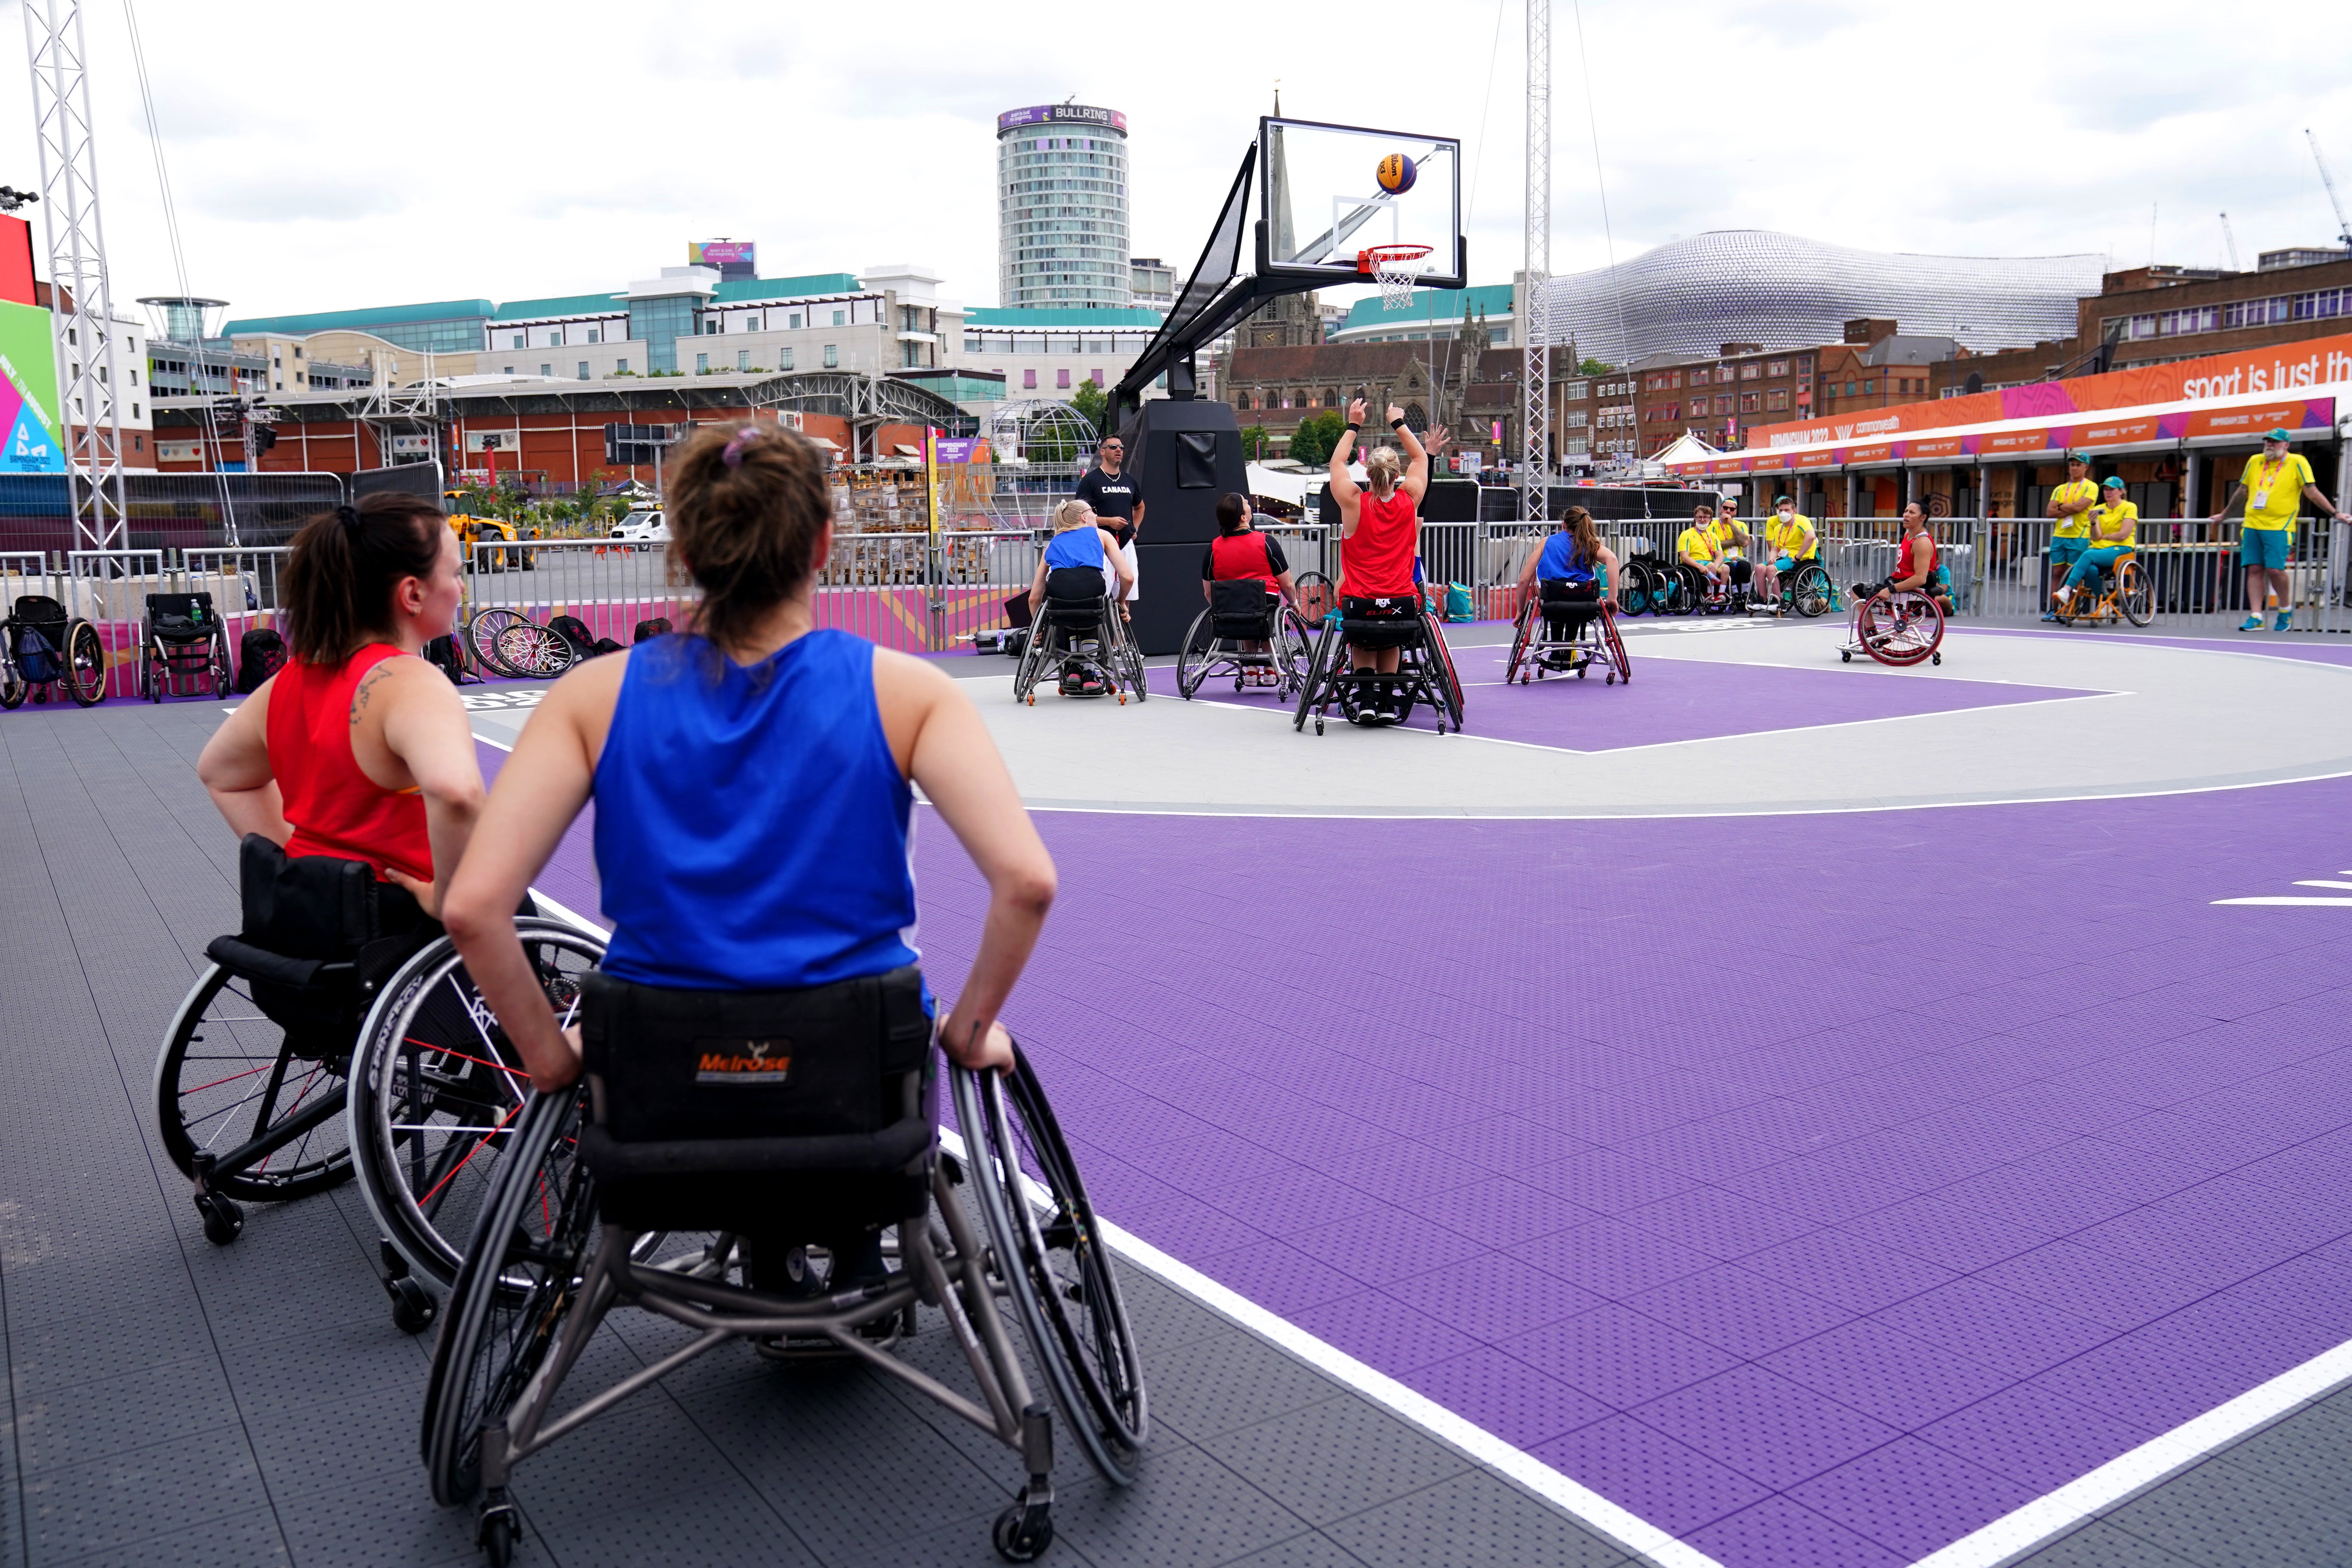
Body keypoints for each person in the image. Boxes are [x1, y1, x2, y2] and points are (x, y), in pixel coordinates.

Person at [439, 420, 1051, 1299]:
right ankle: (853, 1238)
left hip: (662, 1066)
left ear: (682, 548)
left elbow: (472, 908)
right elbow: (1026, 883)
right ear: (825, 544)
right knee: (887, 1044)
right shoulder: (907, 690)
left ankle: (761, 1240)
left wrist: (545, 1054)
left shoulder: (591, 696)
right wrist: (970, 1024)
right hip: (854, 1065)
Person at [195, 494, 485, 927]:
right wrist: (447, 896)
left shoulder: (287, 683)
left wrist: (303, 867)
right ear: (413, 592)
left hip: (316, 920)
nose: (461, 588)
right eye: (456, 574)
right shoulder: (411, 683)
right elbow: (457, 793)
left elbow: (222, 773)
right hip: (403, 922)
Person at [1327, 397, 1445, 722]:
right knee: (1391, 639)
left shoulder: (1353, 503)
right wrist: (1398, 421)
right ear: (1396, 474)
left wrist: (1354, 424)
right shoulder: (1409, 498)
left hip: (1359, 600)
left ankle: (1365, 700)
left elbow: (1336, 464)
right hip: (1400, 601)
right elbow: (1421, 457)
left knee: (1363, 638)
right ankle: (1384, 701)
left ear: (1368, 472)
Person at [2215, 429, 2344, 632]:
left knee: (2276, 570)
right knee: (2255, 569)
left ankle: (2285, 609)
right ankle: (2256, 616)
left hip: (2280, 526)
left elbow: (2311, 492)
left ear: (2286, 445)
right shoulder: (2255, 461)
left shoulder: (2297, 462)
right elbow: (2243, 491)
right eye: (2267, 441)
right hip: (2252, 524)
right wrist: (2224, 515)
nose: (2269, 445)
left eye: (2275, 442)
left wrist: (2335, 513)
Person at [1025, 498, 1134, 696]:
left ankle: (1074, 670)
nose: (1095, 514)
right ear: (1084, 517)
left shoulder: (1052, 544)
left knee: (1070, 611)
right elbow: (1127, 577)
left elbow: (1034, 598)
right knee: (1092, 608)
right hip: (1091, 592)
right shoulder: (1102, 535)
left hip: (1059, 597)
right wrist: (1121, 603)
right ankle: (1090, 673)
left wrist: (1037, 628)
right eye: (1093, 511)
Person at [1200, 492, 1298, 687]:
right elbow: (1286, 584)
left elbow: (1209, 592)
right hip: (1264, 606)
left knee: (1242, 607)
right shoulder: (1266, 542)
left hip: (1229, 609)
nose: (1248, 503)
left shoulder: (1213, 548)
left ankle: (1251, 669)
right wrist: (1294, 603)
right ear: (1243, 518)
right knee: (1263, 612)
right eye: (1246, 503)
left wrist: (1218, 610)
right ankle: (1270, 669)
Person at [1074, 435, 1143, 622]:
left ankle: (1119, 647)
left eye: (1121, 447)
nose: (1119, 450)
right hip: (1101, 545)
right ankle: (1102, 646)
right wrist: (1108, 521)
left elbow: (1140, 506)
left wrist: (1134, 527)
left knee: (1126, 598)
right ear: (1103, 452)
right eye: (1113, 447)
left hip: (1125, 545)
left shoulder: (1129, 480)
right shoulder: (1090, 481)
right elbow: (1079, 515)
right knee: (1101, 597)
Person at [1512, 504, 1622, 610]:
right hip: (1583, 599)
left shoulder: (1546, 543)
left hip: (1552, 598)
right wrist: (1612, 599)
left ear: (1564, 525)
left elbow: (1524, 580)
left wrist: (1520, 611)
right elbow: (1612, 559)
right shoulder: (1590, 545)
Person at [2053, 477, 2136, 616]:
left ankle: (2066, 590)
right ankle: (2104, 602)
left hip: (2121, 549)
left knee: (2087, 555)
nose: (2108, 492)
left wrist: (2106, 537)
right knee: (2090, 568)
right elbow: (2096, 536)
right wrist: (2093, 523)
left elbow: (2123, 535)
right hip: (2099, 549)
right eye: (2106, 489)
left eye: (2112, 489)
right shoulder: (2098, 509)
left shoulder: (2130, 507)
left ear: (2121, 491)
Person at [2043, 452, 2099, 623]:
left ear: (2086, 468)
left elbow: (2080, 508)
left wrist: (2061, 506)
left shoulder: (2091, 487)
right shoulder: (2060, 489)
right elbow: (2050, 512)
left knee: (2073, 574)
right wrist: (2070, 507)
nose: (2075, 468)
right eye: (2072, 465)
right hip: (2060, 535)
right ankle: (2054, 610)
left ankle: (2070, 609)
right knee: (2057, 573)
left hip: (2079, 535)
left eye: (2079, 465)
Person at [1852, 502, 1937, 602]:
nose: (1906, 515)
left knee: (1856, 590)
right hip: (1899, 584)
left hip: (1909, 592)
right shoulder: (1908, 535)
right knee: (1862, 588)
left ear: (1923, 518)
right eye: (1906, 511)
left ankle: (1867, 619)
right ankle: (1867, 619)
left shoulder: (1922, 542)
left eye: (1912, 513)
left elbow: (1920, 579)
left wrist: (1890, 590)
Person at [1762, 495, 1819, 607]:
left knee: (1771, 569)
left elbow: (1811, 536)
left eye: (1787, 510)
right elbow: (1775, 547)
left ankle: (1778, 600)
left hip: (1798, 559)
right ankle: (1762, 599)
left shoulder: (1802, 521)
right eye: (1781, 510)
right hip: (1783, 557)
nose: (1783, 513)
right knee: (1759, 568)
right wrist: (1771, 558)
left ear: (1794, 511)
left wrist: (1799, 556)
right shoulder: (1779, 528)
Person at [1677, 503, 1731, 593]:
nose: (1703, 520)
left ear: (1710, 520)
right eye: (1700, 517)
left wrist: (1716, 567)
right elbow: (1684, 557)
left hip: (1709, 564)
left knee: (1726, 568)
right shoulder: (1686, 534)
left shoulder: (1713, 536)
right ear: (1695, 519)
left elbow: (1720, 556)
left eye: (1706, 518)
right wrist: (1699, 566)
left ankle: (1722, 594)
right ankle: (1710, 594)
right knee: (1712, 566)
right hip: (1693, 564)